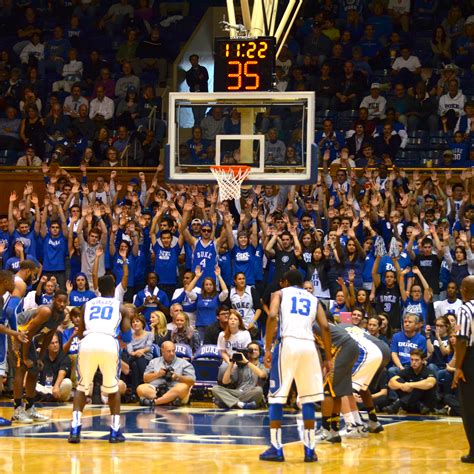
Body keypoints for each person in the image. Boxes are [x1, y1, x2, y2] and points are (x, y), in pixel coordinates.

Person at [260, 270, 332, 463]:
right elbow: (325, 326)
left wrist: (267, 349)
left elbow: (273, 315)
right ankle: (310, 451)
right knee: (308, 398)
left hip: (288, 343)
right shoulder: (313, 298)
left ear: (284, 282)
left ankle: (276, 448)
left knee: (276, 397)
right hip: (309, 346)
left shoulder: (280, 293)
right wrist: (328, 357)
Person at [68, 275, 131, 443]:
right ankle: (114, 431)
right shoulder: (121, 307)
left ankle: (75, 429)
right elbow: (127, 335)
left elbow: (80, 333)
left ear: (99, 289)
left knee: (81, 387)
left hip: (87, 342)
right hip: (108, 342)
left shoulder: (86, 305)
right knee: (112, 388)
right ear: (113, 289)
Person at [12, 291, 68, 423]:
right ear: (54, 300)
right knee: (22, 367)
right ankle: (17, 410)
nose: (62, 304)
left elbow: (48, 336)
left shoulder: (61, 316)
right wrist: (25, 357)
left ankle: (30, 408)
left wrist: (39, 358)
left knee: (35, 368)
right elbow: (28, 333)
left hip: (27, 336)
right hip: (18, 331)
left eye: (64, 302)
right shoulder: (46, 312)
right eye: (59, 300)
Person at [452, 275, 474, 464]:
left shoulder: (464, 309)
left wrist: (458, 367)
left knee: (469, 406)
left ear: (465, 290)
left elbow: (461, 340)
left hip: (471, 359)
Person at [136, 341, 196, 406]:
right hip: (156, 391)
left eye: (173, 351)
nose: (172, 353)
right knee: (140, 388)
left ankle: (154, 402)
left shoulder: (185, 364)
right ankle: (169, 401)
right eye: (168, 351)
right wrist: (157, 374)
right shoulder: (153, 362)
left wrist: (177, 377)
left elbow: (192, 381)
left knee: (184, 387)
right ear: (162, 352)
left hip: (174, 390)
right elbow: (145, 379)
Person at [211, 341, 268, 409]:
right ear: (247, 352)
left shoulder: (262, 366)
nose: (253, 351)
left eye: (256, 350)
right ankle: (240, 404)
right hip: (238, 392)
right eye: (251, 350)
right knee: (215, 388)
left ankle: (227, 402)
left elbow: (262, 375)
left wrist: (246, 362)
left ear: (259, 352)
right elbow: (225, 382)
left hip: (251, 393)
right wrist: (232, 362)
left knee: (259, 390)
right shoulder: (240, 366)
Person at [388, 348, 437, 414]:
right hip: (414, 405)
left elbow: (430, 383)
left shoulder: (428, 371)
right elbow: (391, 382)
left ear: (423, 361)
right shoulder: (408, 370)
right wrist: (402, 386)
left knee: (419, 386)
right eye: (412, 360)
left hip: (426, 403)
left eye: (416, 360)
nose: (414, 362)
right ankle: (418, 406)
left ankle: (397, 405)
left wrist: (411, 385)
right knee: (399, 381)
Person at [35, 332, 72, 402]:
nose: (55, 345)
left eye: (56, 342)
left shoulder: (64, 357)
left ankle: (46, 397)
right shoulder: (41, 355)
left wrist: (56, 386)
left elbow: (62, 373)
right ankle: (50, 397)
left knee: (67, 383)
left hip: (58, 388)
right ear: (47, 345)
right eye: (52, 343)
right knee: (32, 385)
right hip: (44, 388)